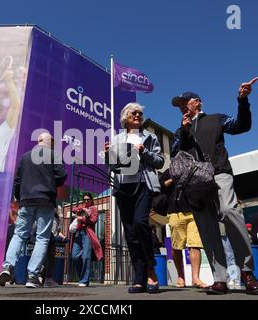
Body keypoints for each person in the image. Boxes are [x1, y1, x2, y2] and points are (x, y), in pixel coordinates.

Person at [171, 77, 258, 295]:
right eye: (180, 105)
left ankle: (246, 272)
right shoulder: (179, 130)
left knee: (230, 212)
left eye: (186, 101)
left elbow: (241, 126)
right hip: (194, 184)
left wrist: (242, 100)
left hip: (219, 174)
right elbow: (175, 153)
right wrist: (184, 131)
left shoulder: (216, 119)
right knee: (207, 228)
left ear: (198, 102)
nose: (183, 106)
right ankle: (219, 278)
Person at [0, 133, 67, 288]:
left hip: (26, 201)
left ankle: (7, 267)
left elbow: (17, 182)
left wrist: (21, 199)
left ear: (39, 141)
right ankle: (32, 276)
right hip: (46, 200)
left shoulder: (25, 157)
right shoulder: (54, 155)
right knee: (42, 238)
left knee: (19, 234)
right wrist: (50, 180)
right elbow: (62, 176)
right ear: (50, 143)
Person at [105, 102, 165, 294]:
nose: (138, 115)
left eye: (140, 113)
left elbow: (160, 161)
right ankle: (139, 277)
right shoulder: (116, 139)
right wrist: (108, 156)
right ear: (126, 117)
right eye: (134, 113)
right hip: (124, 189)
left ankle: (150, 269)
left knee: (141, 223)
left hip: (144, 185)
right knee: (130, 233)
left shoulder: (150, 137)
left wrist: (143, 152)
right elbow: (112, 167)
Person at [159, 169, 207, 289]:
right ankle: (181, 276)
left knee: (195, 245)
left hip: (193, 211)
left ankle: (196, 277)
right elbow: (160, 187)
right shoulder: (169, 171)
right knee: (176, 247)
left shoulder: (194, 169)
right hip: (175, 212)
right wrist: (173, 179)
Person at [71, 192, 103, 287]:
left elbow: (93, 220)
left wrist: (82, 218)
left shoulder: (94, 209)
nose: (86, 201)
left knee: (86, 257)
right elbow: (73, 210)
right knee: (75, 256)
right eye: (84, 199)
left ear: (91, 200)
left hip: (87, 234)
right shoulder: (82, 206)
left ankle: (84, 280)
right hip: (78, 233)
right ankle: (83, 277)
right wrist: (80, 209)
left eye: (88, 199)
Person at [39, 208, 67, 288]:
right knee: (45, 259)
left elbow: (57, 231)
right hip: (46, 238)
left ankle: (46, 279)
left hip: (53, 239)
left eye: (55, 209)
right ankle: (41, 277)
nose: (54, 209)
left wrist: (63, 237)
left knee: (51, 260)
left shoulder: (57, 219)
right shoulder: (46, 216)